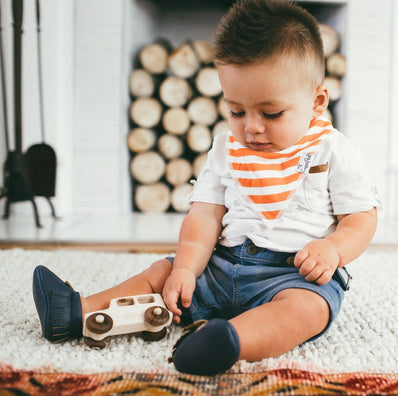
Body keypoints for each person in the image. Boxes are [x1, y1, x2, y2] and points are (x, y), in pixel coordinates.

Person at [32, 0, 380, 376]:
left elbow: (360, 218)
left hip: (293, 276)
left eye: (271, 113)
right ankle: (78, 311)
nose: (252, 127)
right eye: (236, 111)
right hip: (221, 265)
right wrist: (185, 268)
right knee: (161, 274)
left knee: (306, 311)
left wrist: (332, 250)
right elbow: (205, 215)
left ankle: (225, 342)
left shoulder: (334, 150)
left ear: (317, 101)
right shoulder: (225, 149)